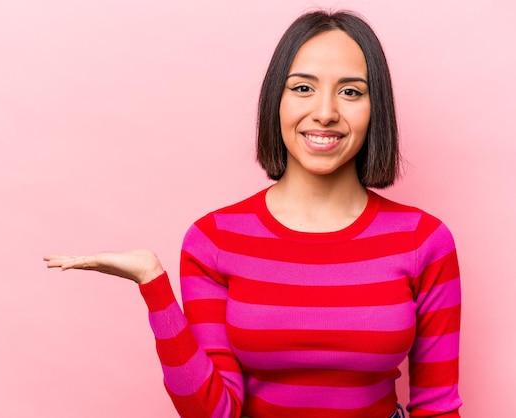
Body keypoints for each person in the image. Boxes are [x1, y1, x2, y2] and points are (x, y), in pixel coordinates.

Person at [44, 10, 462, 418]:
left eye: (351, 91)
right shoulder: (214, 240)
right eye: (302, 88)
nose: (325, 112)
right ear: (274, 101)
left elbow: (438, 407)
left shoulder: (424, 240)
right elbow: (214, 412)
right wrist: (153, 284)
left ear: (376, 110)